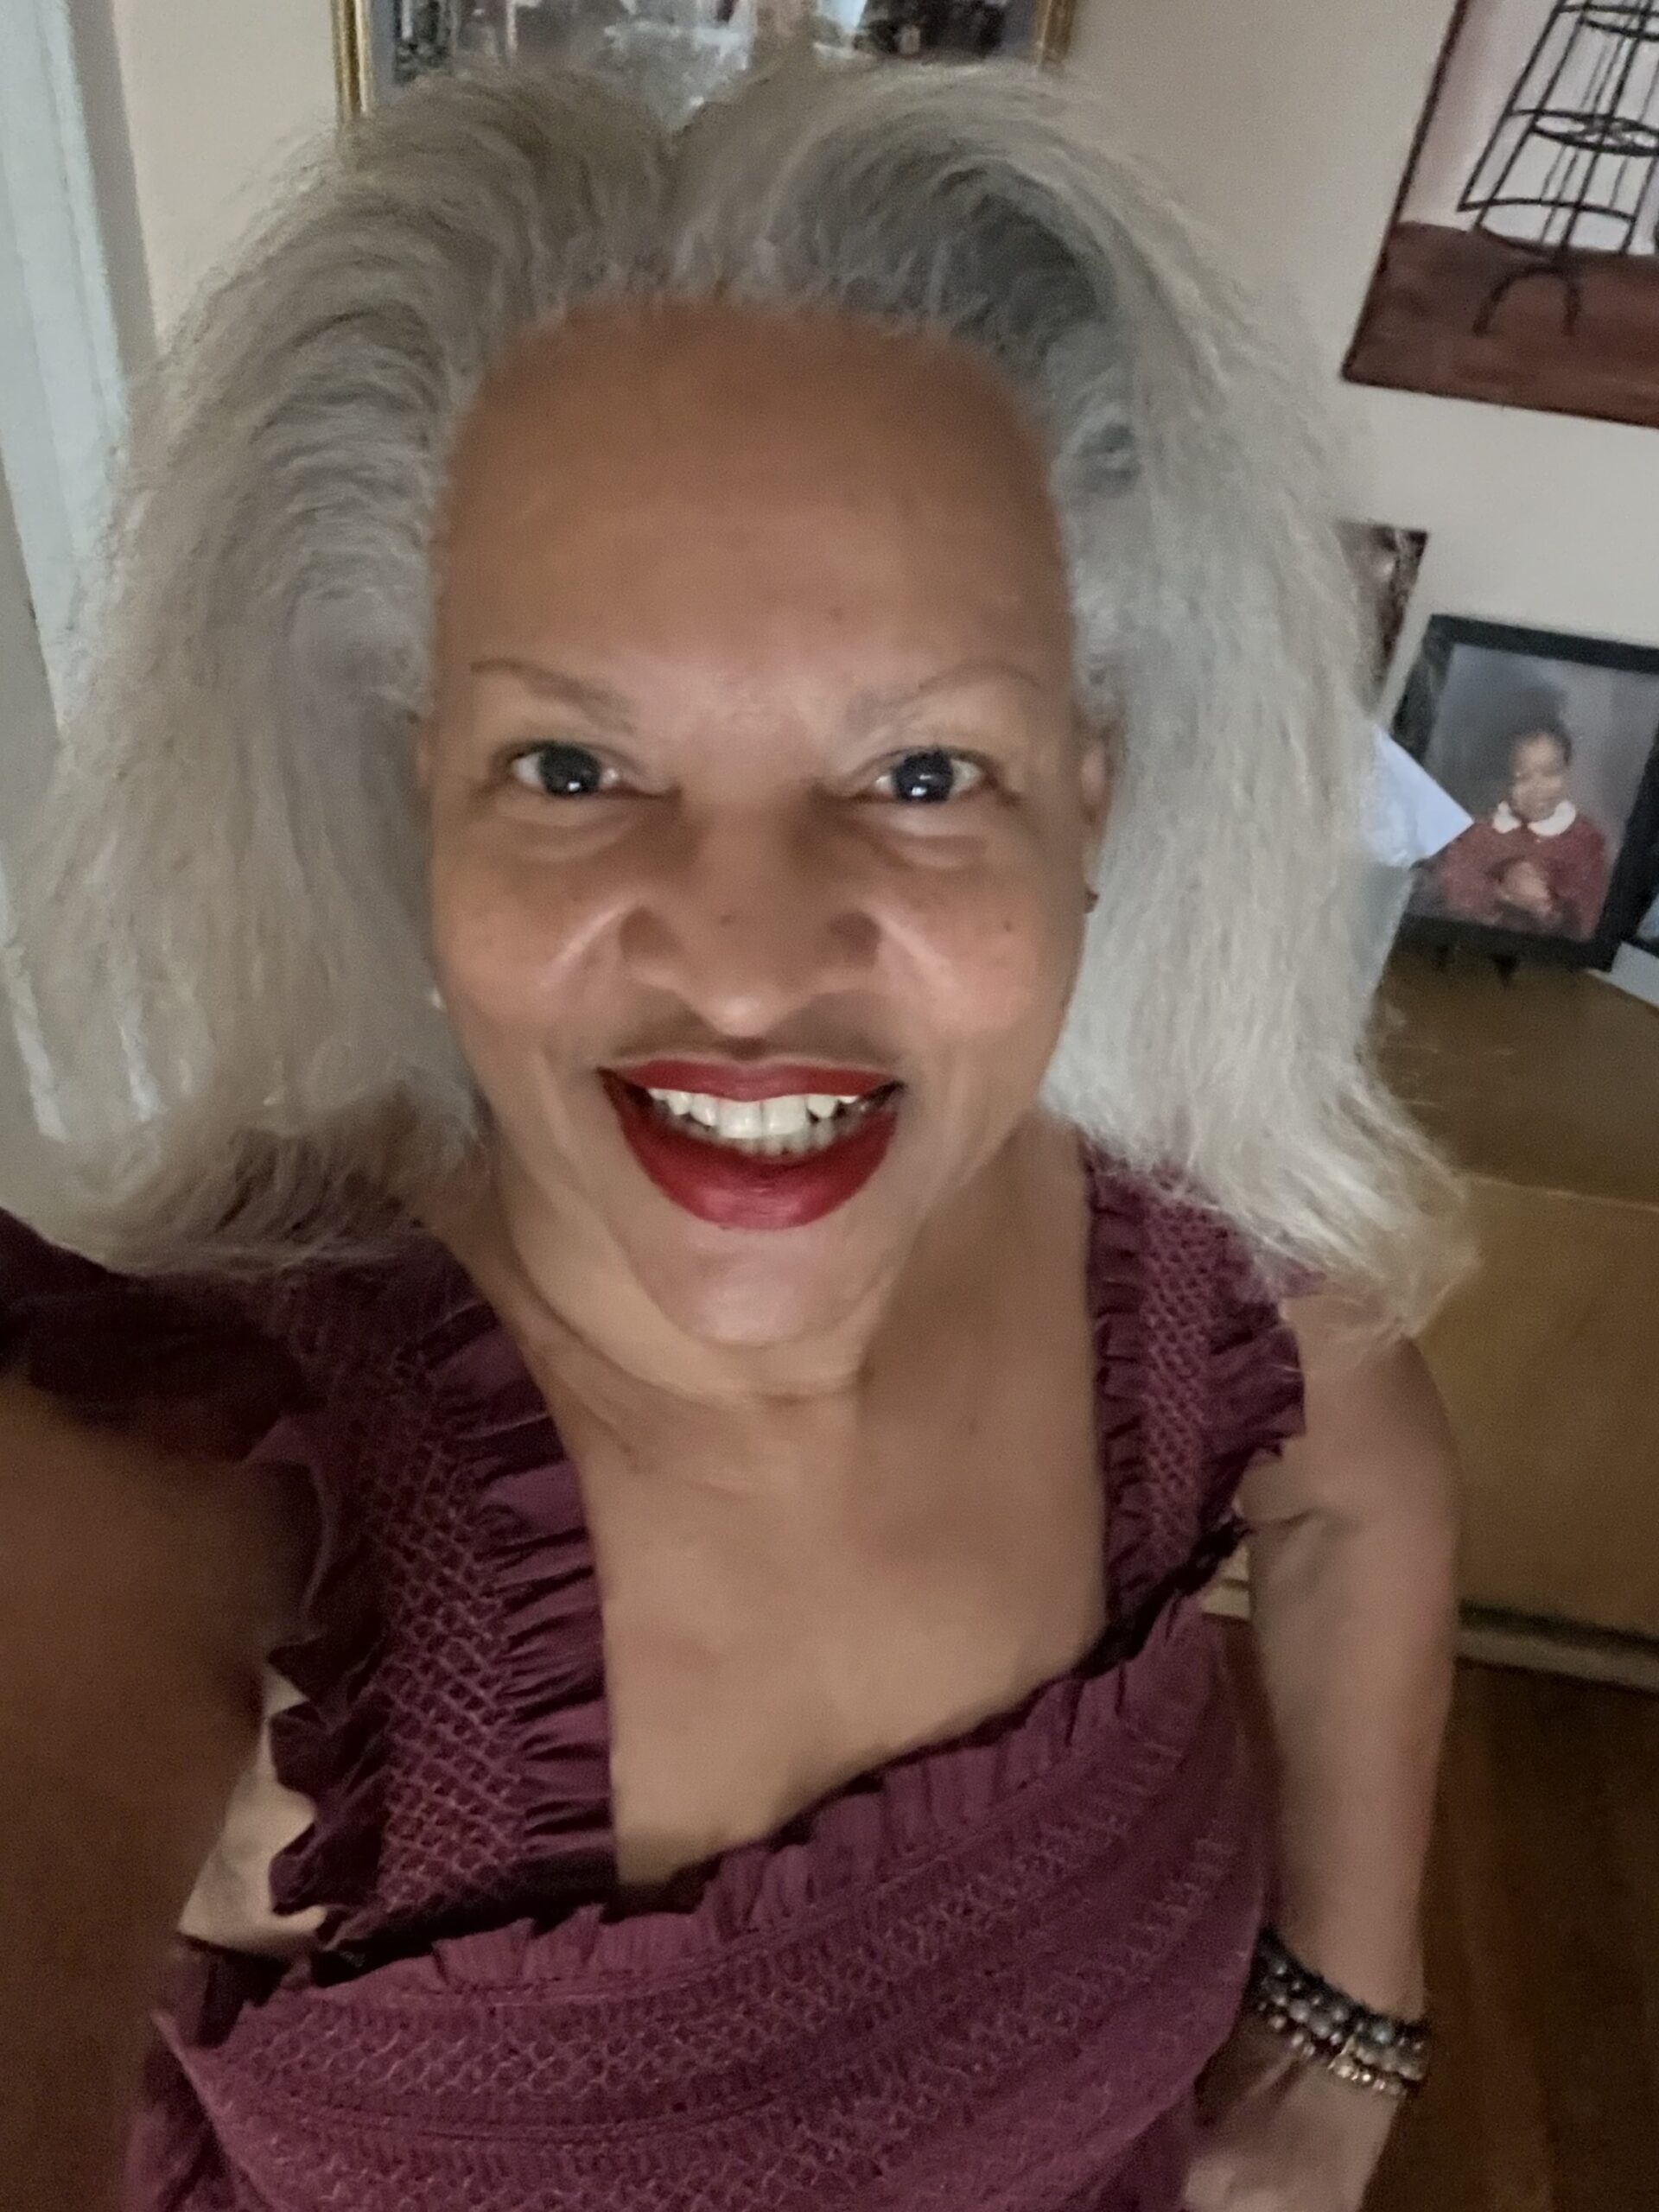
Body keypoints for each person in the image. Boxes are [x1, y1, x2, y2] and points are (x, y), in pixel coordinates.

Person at [0, 57, 1462, 2212]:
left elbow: (1363, 1486)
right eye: (573, 768)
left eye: (925, 773)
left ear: (1092, 793)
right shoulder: (190, 1465)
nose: (752, 965)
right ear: (417, 793)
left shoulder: (1166, 1247)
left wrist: (1346, 2030)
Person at [1432, 721, 1611, 939]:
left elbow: (1588, 918)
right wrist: (1503, 892)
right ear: (1503, 780)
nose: (1538, 788)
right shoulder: (1480, 834)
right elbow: (1453, 892)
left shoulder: (1585, 840)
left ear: (1567, 770)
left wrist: (1544, 907)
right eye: (1522, 778)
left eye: (1551, 773)